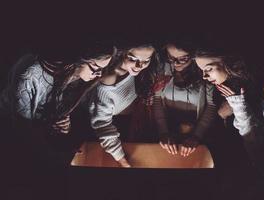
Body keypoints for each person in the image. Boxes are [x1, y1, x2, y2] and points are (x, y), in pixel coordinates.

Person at [194, 47, 264, 189]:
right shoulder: (224, 89)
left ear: (228, 62)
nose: (204, 76)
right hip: (248, 177)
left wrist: (238, 106)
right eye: (202, 71)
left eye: (209, 69)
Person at [0, 41, 116, 167]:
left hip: (39, 134)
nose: (99, 74)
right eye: (96, 68)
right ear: (80, 59)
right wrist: (58, 156)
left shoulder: (80, 77)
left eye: (103, 69)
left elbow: (55, 116)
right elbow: (23, 132)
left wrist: (62, 126)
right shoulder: (29, 75)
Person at [88, 38, 159, 167]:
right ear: (121, 53)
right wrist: (121, 159)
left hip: (134, 122)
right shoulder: (109, 79)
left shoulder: (132, 70)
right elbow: (102, 125)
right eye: (133, 59)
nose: (139, 66)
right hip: (115, 132)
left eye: (146, 61)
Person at [152, 39, 216, 157]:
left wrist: (197, 135)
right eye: (171, 57)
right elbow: (157, 100)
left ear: (193, 56)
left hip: (199, 133)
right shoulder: (164, 68)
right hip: (168, 131)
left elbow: (211, 105)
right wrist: (163, 132)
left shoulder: (204, 72)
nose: (175, 63)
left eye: (183, 59)